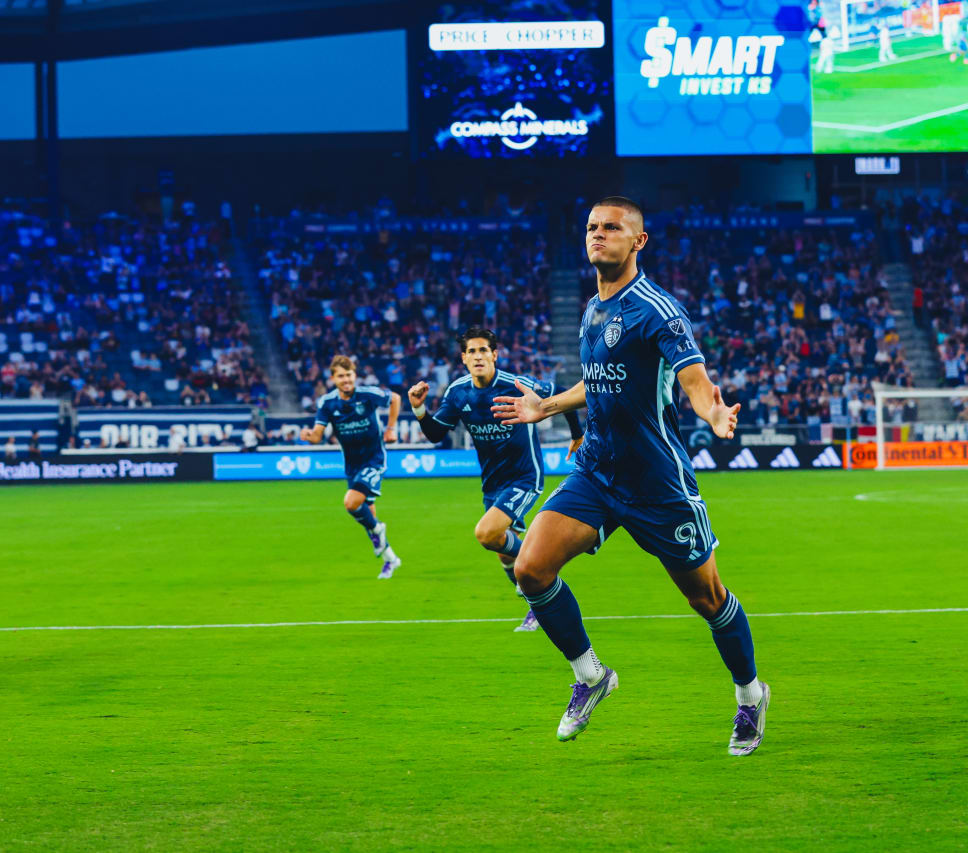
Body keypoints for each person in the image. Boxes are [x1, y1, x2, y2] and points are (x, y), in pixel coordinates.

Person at [492, 197, 769, 756]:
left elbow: (692, 378)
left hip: (656, 482)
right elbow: (599, 382)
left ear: (638, 241)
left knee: (708, 598)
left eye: (612, 228)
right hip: (596, 472)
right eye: (592, 227)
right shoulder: (593, 309)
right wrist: (546, 407)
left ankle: (750, 694)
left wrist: (713, 412)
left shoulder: (657, 310)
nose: (598, 235)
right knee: (530, 568)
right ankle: (592, 677)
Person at [407, 327, 584, 632]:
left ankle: (539, 562)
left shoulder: (516, 384)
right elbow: (436, 433)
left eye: (483, 350)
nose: (478, 356)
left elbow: (561, 396)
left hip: (525, 476)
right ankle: (536, 602)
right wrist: (419, 409)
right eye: (471, 351)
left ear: (494, 355)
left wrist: (577, 433)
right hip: (492, 482)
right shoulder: (457, 392)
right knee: (503, 550)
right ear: (463, 358)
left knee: (487, 534)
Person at [300, 355, 403, 579]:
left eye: (349, 375)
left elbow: (395, 398)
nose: (346, 380)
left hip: (374, 459)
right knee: (368, 515)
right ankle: (390, 559)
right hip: (352, 465)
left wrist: (391, 428)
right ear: (333, 378)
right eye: (341, 376)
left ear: (354, 375)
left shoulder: (367, 394)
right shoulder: (327, 403)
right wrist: (309, 436)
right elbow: (318, 435)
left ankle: (379, 530)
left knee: (351, 502)